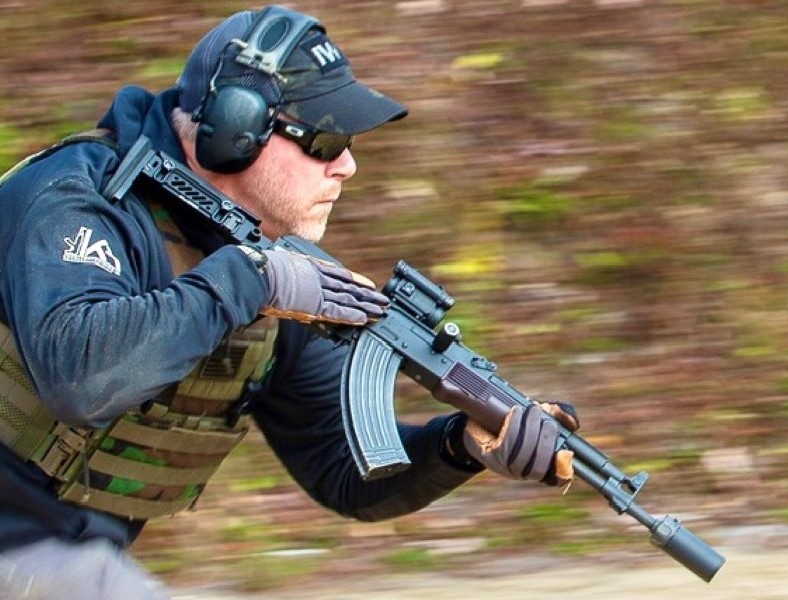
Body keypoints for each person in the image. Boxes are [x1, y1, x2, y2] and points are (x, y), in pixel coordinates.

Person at [0, 6, 578, 599]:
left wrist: (458, 446)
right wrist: (249, 280)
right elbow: (82, 377)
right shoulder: (78, 197)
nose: (347, 165)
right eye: (324, 141)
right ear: (234, 132)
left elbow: (342, 470)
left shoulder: (275, 264)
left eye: (348, 143)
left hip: (60, 554)